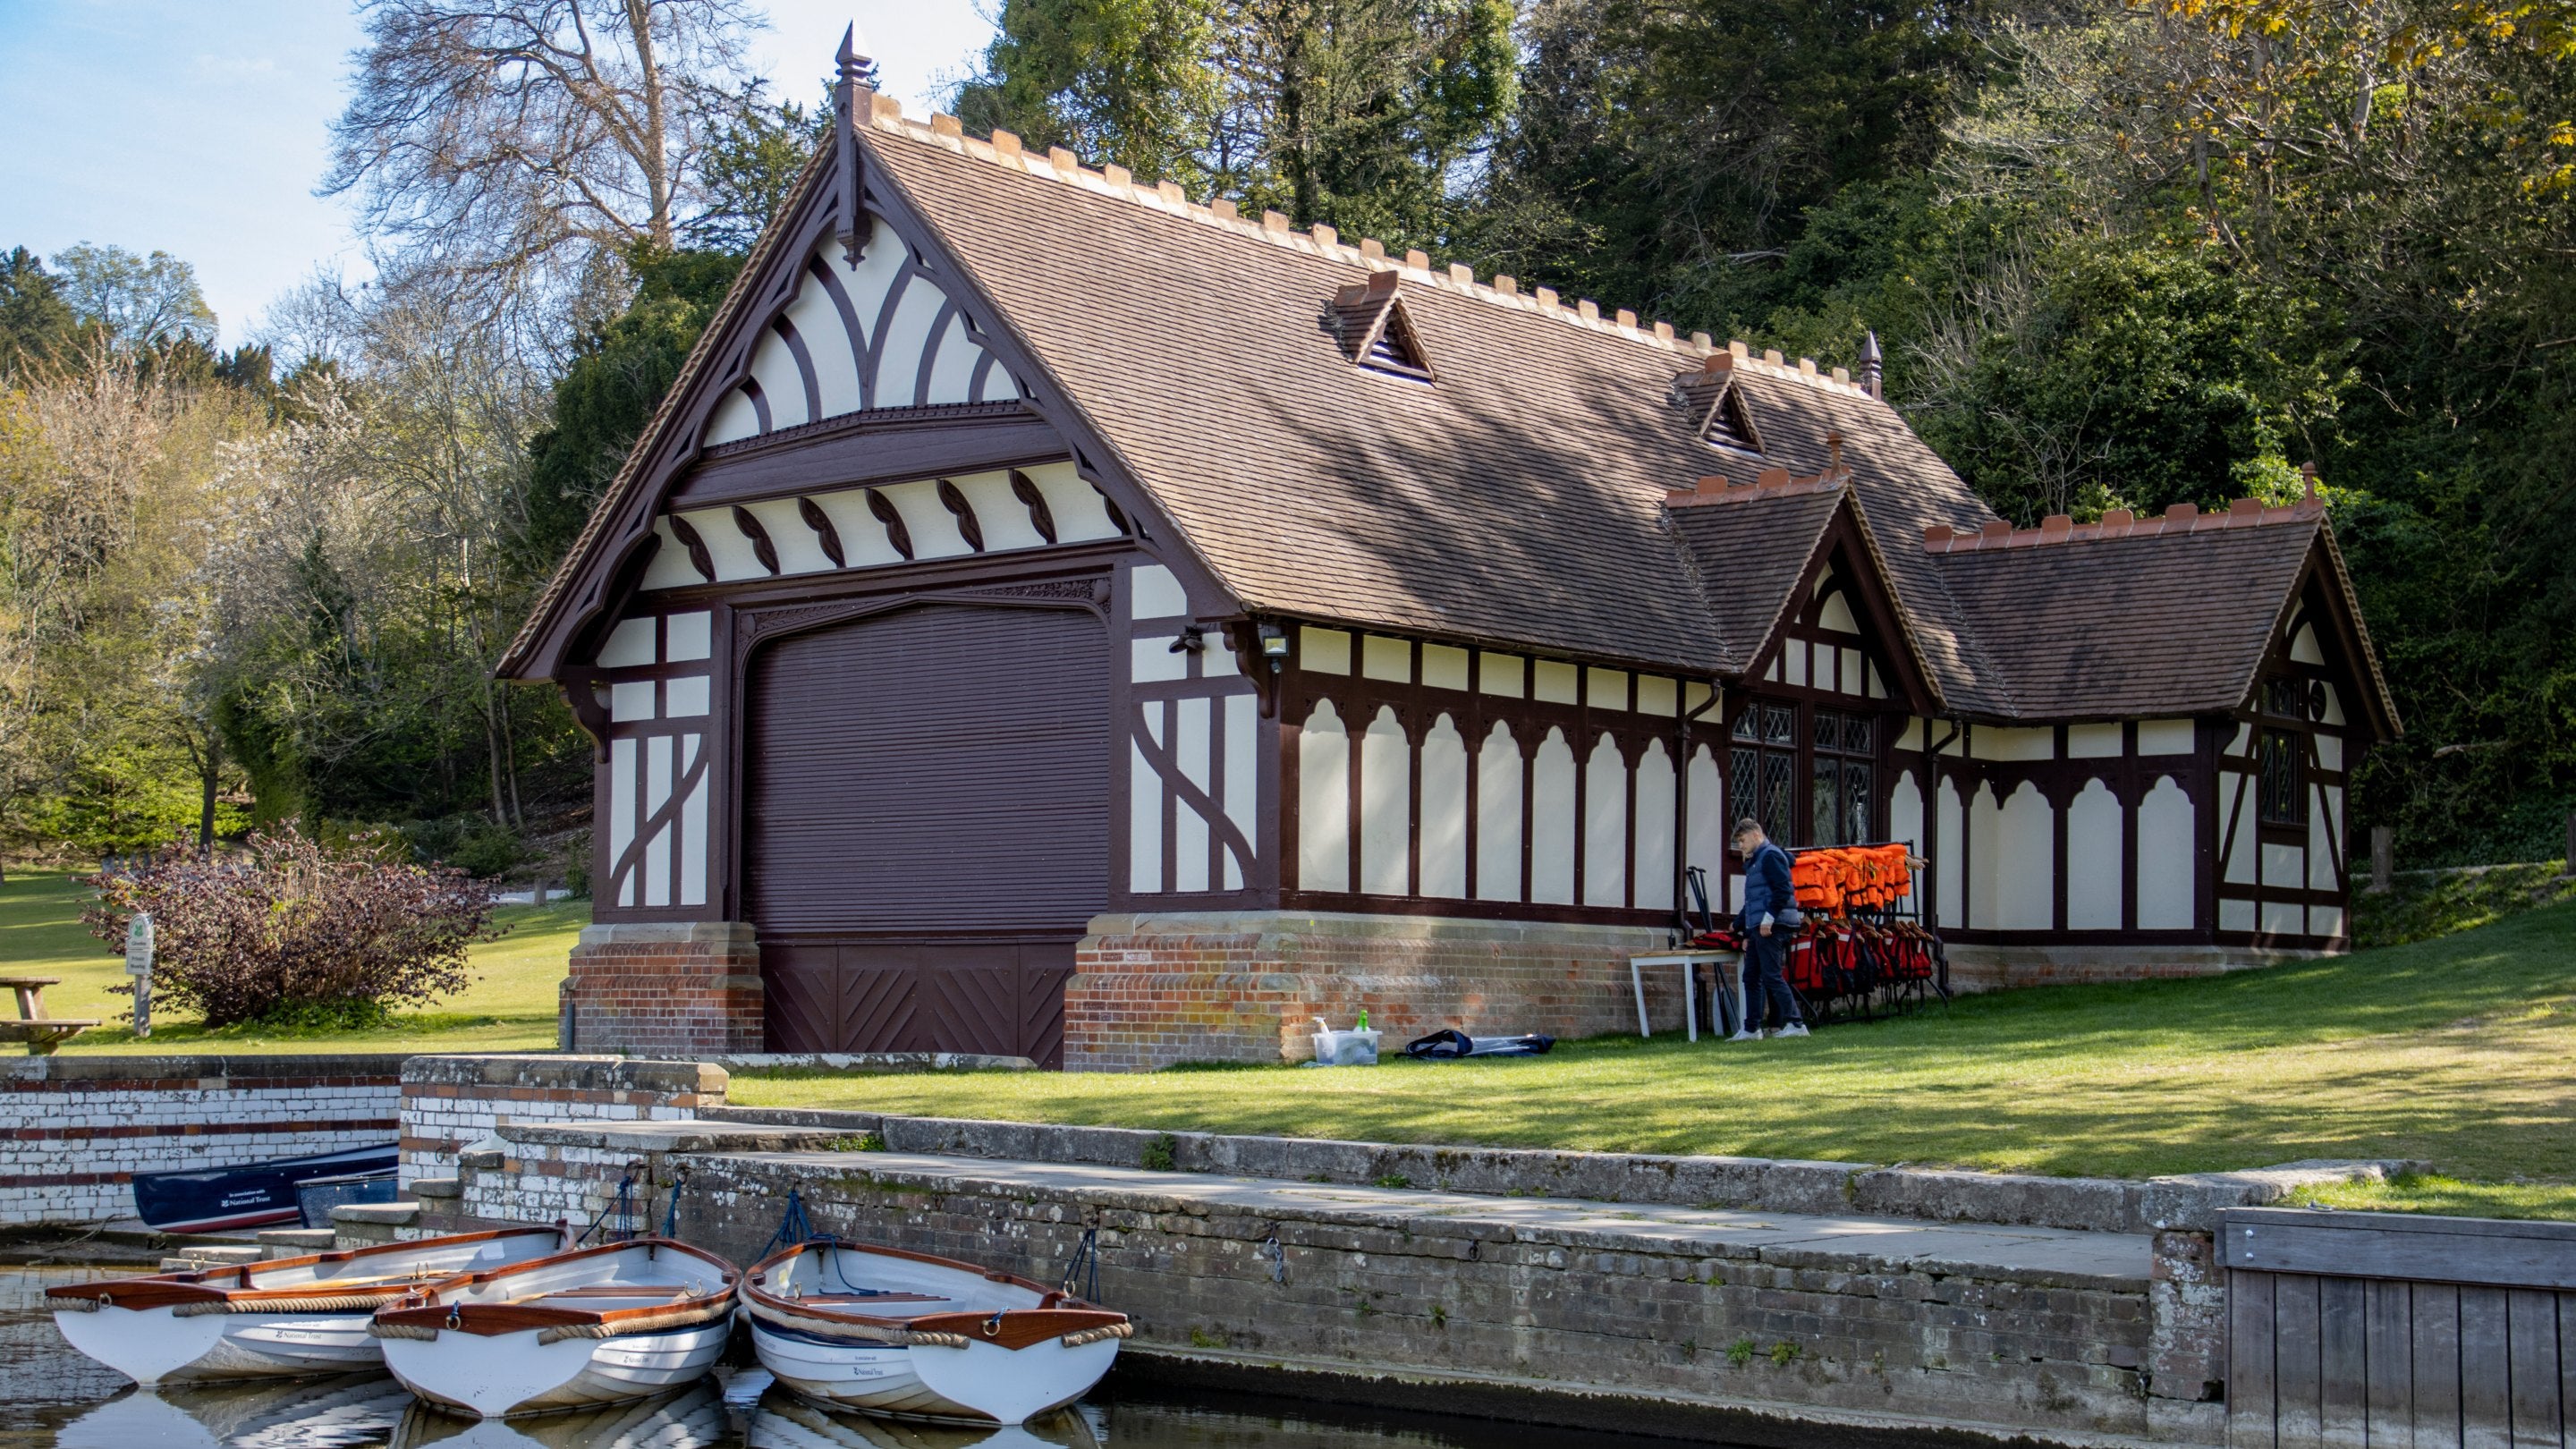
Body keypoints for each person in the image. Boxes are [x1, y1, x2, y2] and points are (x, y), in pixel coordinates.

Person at [1729, 818, 1809, 1040]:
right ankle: (1751, 1029)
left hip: (1773, 925)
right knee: (1751, 977)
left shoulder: (1770, 856)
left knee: (1772, 975)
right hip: (1759, 926)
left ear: (1756, 835)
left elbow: (1782, 891)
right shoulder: (1756, 861)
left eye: (1742, 841)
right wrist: (1739, 925)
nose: (1741, 847)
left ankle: (1797, 1024)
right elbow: (1755, 900)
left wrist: (1768, 919)